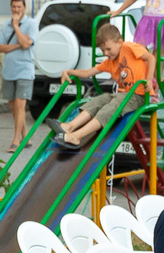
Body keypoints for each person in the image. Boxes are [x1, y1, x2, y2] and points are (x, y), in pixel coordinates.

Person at [53, 22, 152, 155]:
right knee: (99, 100)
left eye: (108, 49)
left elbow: (151, 58)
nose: (106, 53)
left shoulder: (128, 47)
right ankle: (70, 126)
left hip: (138, 95)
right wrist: (69, 72)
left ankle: (77, 136)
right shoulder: (109, 62)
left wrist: (149, 80)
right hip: (123, 94)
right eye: (103, 50)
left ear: (119, 42)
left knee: (110, 107)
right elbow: (88, 72)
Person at [0, 0, 40, 145]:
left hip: (25, 70)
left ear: (24, 8)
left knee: (20, 106)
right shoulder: (5, 24)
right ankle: (25, 136)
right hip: (9, 70)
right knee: (12, 106)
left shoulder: (31, 24)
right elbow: (0, 47)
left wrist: (16, 26)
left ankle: (16, 141)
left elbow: (27, 45)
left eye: (19, 7)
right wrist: (17, 45)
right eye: (13, 7)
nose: (16, 10)